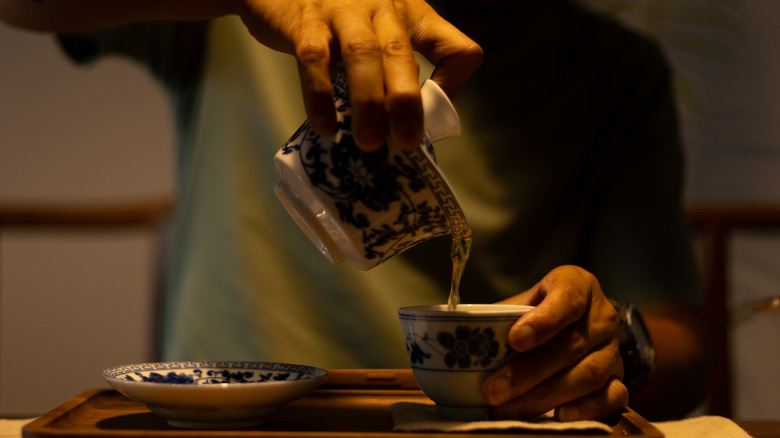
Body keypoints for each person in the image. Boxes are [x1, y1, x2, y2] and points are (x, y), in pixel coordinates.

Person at [1, 0, 708, 422]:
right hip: (226, 423)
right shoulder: (264, 20)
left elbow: (681, 345)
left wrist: (608, 340)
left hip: (475, 425)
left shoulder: (614, 68)